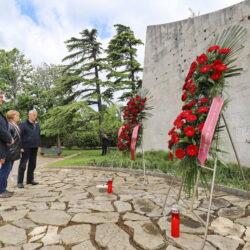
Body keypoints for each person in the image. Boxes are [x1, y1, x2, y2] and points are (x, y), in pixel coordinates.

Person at [17, 110, 42, 188]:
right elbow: (19, 136)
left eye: (36, 115)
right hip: (25, 147)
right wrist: (20, 147)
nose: (35, 116)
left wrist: (39, 144)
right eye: (34, 115)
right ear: (29, 115)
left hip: (34, 147)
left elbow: (38, 135)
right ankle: (20, 182)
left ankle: (30, 180)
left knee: (33, 164)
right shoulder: (23, 124)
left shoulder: (37, 124)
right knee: (23, 164)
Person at [0, 92, 15, 198]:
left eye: (2, 97)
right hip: (1, 146)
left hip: (3, 146)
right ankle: (1, 190)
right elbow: (1, 130)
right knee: (5, 167)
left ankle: (3, 189)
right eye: (0, 97)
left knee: (7, 166)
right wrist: (9, 138)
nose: (2, 99)